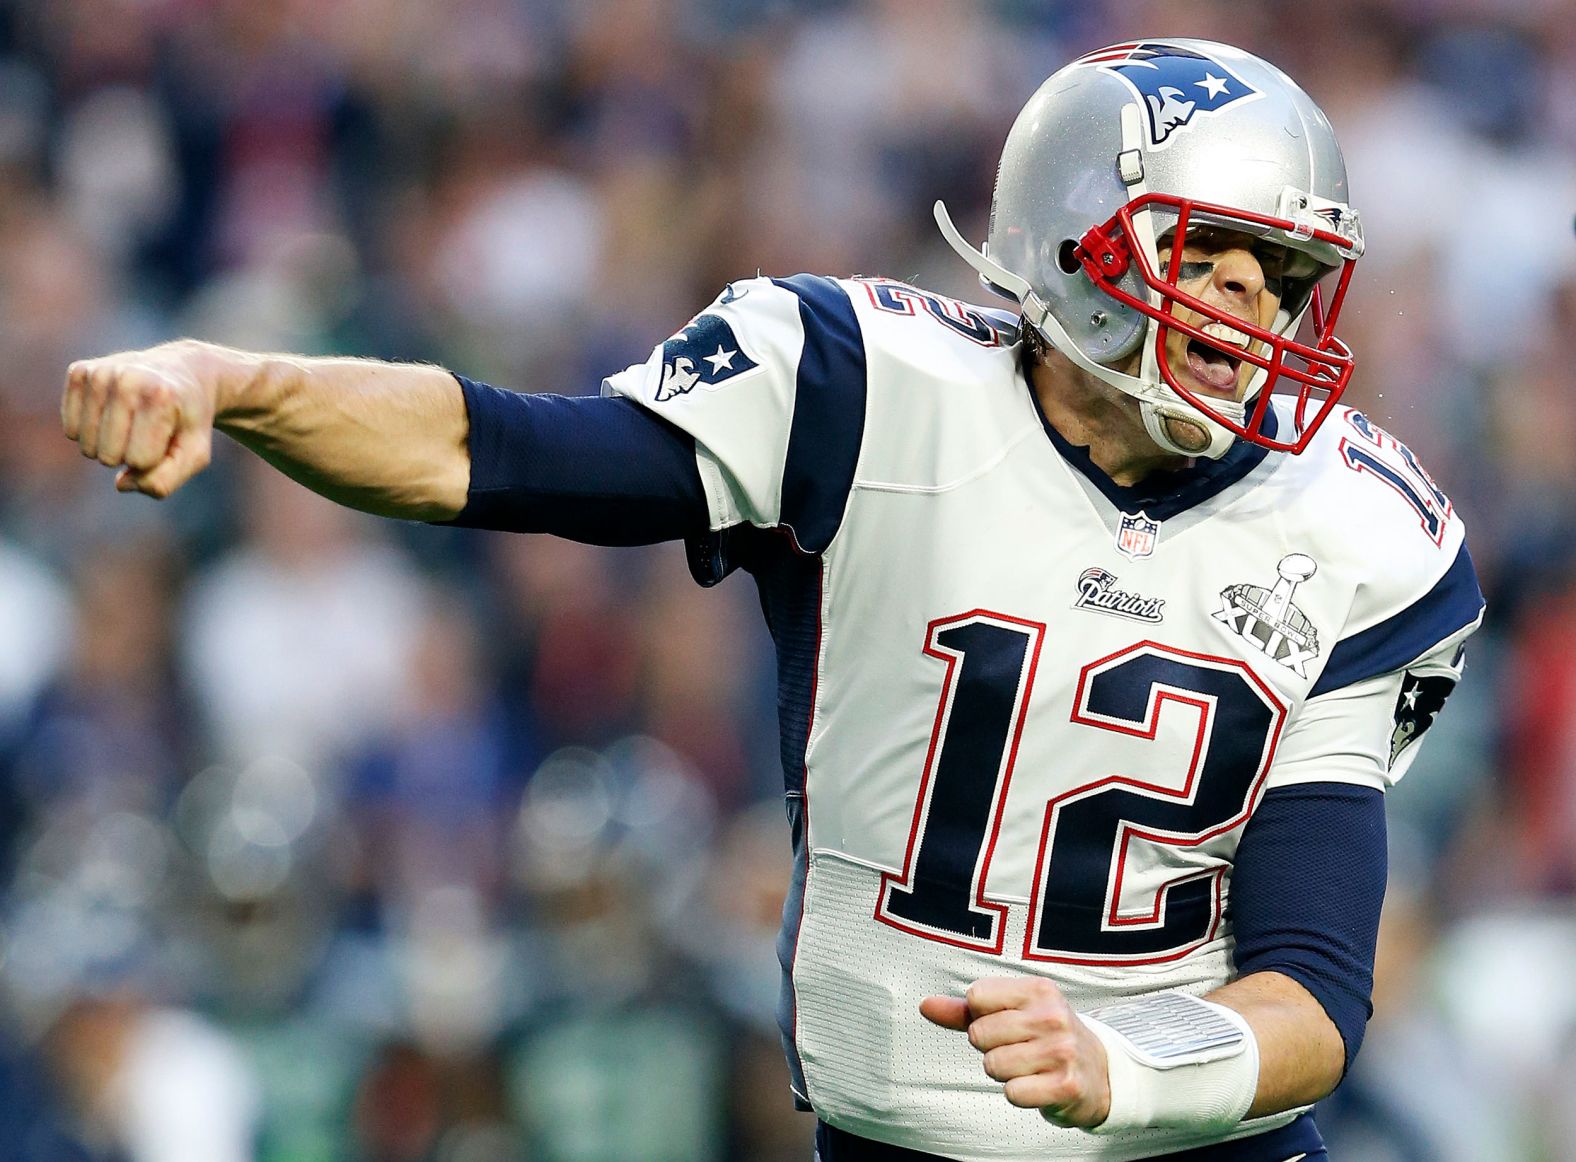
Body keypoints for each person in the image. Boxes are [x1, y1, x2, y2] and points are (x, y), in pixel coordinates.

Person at [61, 38, 1483, 1162]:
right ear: (1078, 245)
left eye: (1284, 278)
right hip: (891, 1139)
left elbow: (1312, 989)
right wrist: (236, 380)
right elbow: (485, 449)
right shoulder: (865, 391)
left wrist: (1124, 1062)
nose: (1254, 320)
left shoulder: (1360, 533)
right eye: (1210, 263)